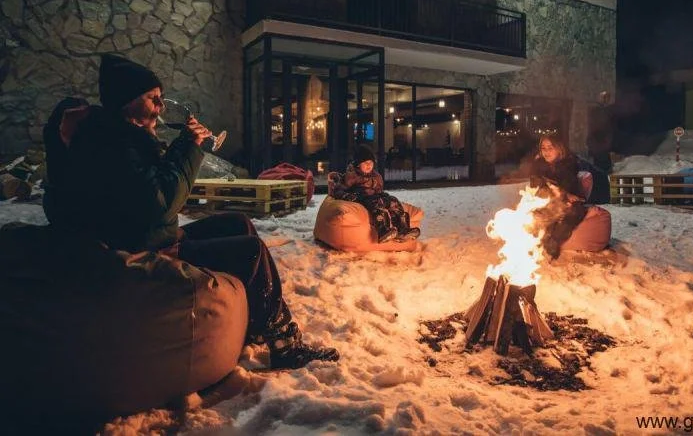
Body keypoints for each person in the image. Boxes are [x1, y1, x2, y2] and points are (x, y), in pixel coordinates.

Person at [44, 54, 338, 369]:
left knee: (237, 222)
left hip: (151, 233)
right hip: (143, 248)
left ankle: (254, 322)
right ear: (129, 102)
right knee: (251, 250)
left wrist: (181, 147)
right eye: (152, 99)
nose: (160, 106)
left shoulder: (125, 137)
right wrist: (189, 146)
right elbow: (163, 203)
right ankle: (284, 343)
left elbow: (154, 191)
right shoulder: (116, 145)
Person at [333, 144, 420, 243]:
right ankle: (382, 230)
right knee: (377, 203)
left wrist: (384, 197)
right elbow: (338, 190)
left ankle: (402, 228)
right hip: (361, 197)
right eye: (365, 163)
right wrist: (347, 195)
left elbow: (379, 190)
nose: (369, 165)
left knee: (393, 201)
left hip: (375, 196)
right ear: (358, 164)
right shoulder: (351, 176)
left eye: (371, 163)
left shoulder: (375, 176)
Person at [528, 135, 588, 260]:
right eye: (543, 148)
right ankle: (534, 240)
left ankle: (553, 243)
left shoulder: (568, 164)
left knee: (574, 211)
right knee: (536, 212)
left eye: (550, 147)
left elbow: (570, 187)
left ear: (559, 149)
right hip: (547, 200)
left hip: (569, 202)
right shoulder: (539, 165)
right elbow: (535, 186)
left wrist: (565, 195)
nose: (546, 151)